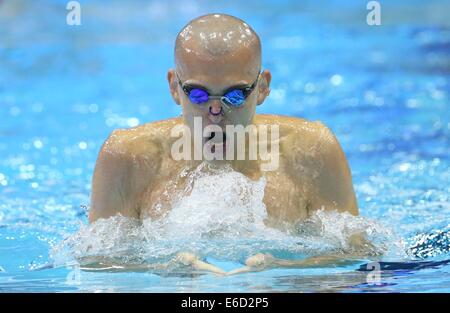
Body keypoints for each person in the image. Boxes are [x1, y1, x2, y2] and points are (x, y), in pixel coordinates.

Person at [88, 13, 361, 275]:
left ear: (263, 87)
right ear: (174, 86)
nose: (215, 111)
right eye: (197, 94)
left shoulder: (311, 151)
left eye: (234, 95)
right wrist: (164, 271)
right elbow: (96, 266)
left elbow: (357, 256)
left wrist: (284, 272)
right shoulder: (128, 156)